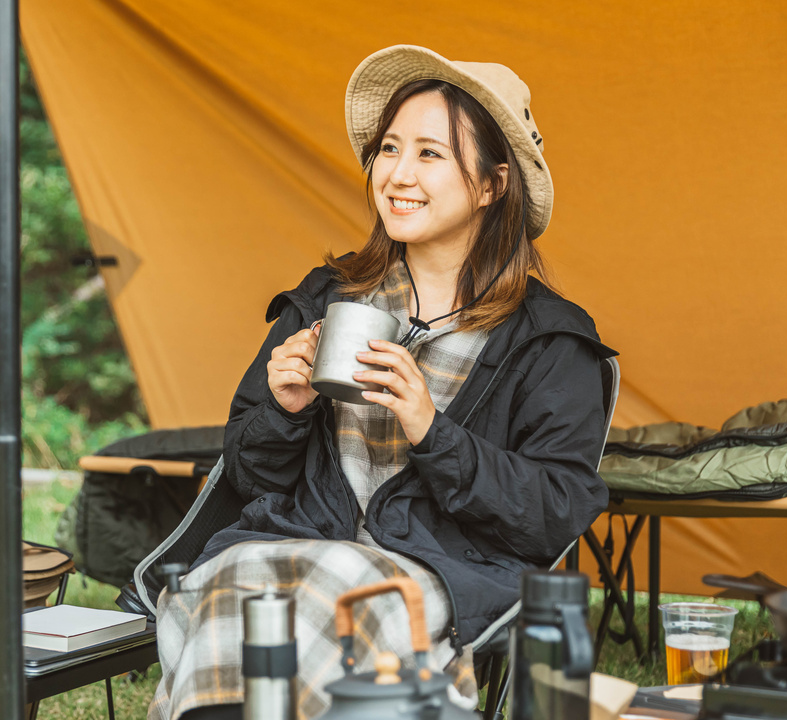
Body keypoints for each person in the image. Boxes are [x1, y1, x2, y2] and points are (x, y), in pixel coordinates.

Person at [149, 45, 616, 720]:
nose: (397, 173)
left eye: (431, 154)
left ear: (493, 183)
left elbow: (554, 511)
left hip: (441, 571)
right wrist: (283, 410)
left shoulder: (546, 339)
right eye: (389, 149)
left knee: (324, 592)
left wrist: (434, 432)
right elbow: (247, 474)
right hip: (294, 544)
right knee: (245, 583)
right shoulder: (327, 298)